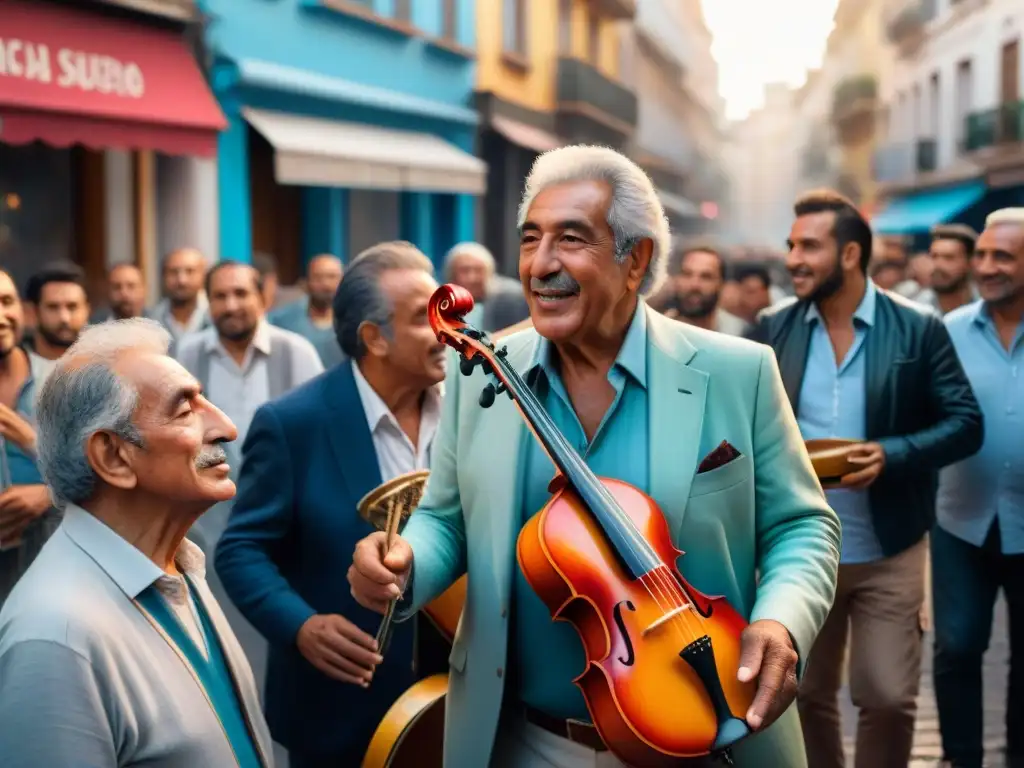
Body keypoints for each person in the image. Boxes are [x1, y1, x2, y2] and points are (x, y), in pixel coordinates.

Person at [349, 145, 841, 768]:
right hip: (527, 743)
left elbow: (803, 524)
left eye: (571, 239)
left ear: (634, 260)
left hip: (710, 729)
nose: (540, 264)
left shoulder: (738, 370)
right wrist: (404, 562)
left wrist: (780, 624)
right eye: (531, 239)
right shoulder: (479, 372)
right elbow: (447, 518)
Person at [747, 189, 984, 768]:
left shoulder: (919, 327)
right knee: (803, 694)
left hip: (891, 545)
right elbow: (738, 425)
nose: (794, 258)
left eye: (809, 246)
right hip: (798, 549)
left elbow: (965, 423)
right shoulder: (770, 328)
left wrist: (892, 453)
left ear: (850, 255)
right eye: (791, 245)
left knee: (888, 697)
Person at [0, 318, 274, 767]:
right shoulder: (53, 637)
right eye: (184, 410)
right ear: (112, 456)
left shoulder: (174, 561)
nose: (225, 427)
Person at [217, 242, 448, 767]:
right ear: (375, 339)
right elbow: (241, 548)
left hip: (456, 700)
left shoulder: (471, 407)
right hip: (339, 710)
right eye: (423, 318)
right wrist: (301, 626)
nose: (446, 328)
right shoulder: (294, 422)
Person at [933, 208, 1024, 768]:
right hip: (959, 520)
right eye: (983, 255)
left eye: (1003, 257)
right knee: (957, 646)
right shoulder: (948, 331)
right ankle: (960, 758)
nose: (986, 267)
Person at [0, 268, 57, 605]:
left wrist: (50, 494)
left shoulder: (63, 381)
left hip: (54, 573)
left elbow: (107, 477)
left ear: (24, 311)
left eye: (6, 301)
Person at [268, 253, 346, 367]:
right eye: (318, 277)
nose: (325, 284)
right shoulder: (283, 321)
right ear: (307, 281)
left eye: (332, 277)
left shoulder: (354, 320)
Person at [659, 245, 749, 335]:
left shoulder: (740, 333)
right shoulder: (658, 331)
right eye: (687, 274)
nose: (694, 285)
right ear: (676, 279)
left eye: (706, 277)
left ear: (721, 284)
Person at [444, 242, 530, 331]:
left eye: (478, 270)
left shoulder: (510, 298)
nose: (472, 278)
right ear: (452, 275)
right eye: (465, 271)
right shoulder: (445, 302)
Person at [23, 261, 91, 360]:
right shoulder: (15, 370)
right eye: (53, 307)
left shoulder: (108, 369)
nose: (64, 318)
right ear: (33, 312)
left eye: (72, 307)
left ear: (87, 310)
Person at [916, 224, 978, 316]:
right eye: (934, 256)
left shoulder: (988, 306)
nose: (937, 265)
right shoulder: (917, 309)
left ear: (970, 263)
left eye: (948, 258)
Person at [153, 247, 210, 344]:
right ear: (163, 276)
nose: (182, 280)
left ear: (204, 276)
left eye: (190, 271)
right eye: (173, 272)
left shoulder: (217, 318)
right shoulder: (150, 321)